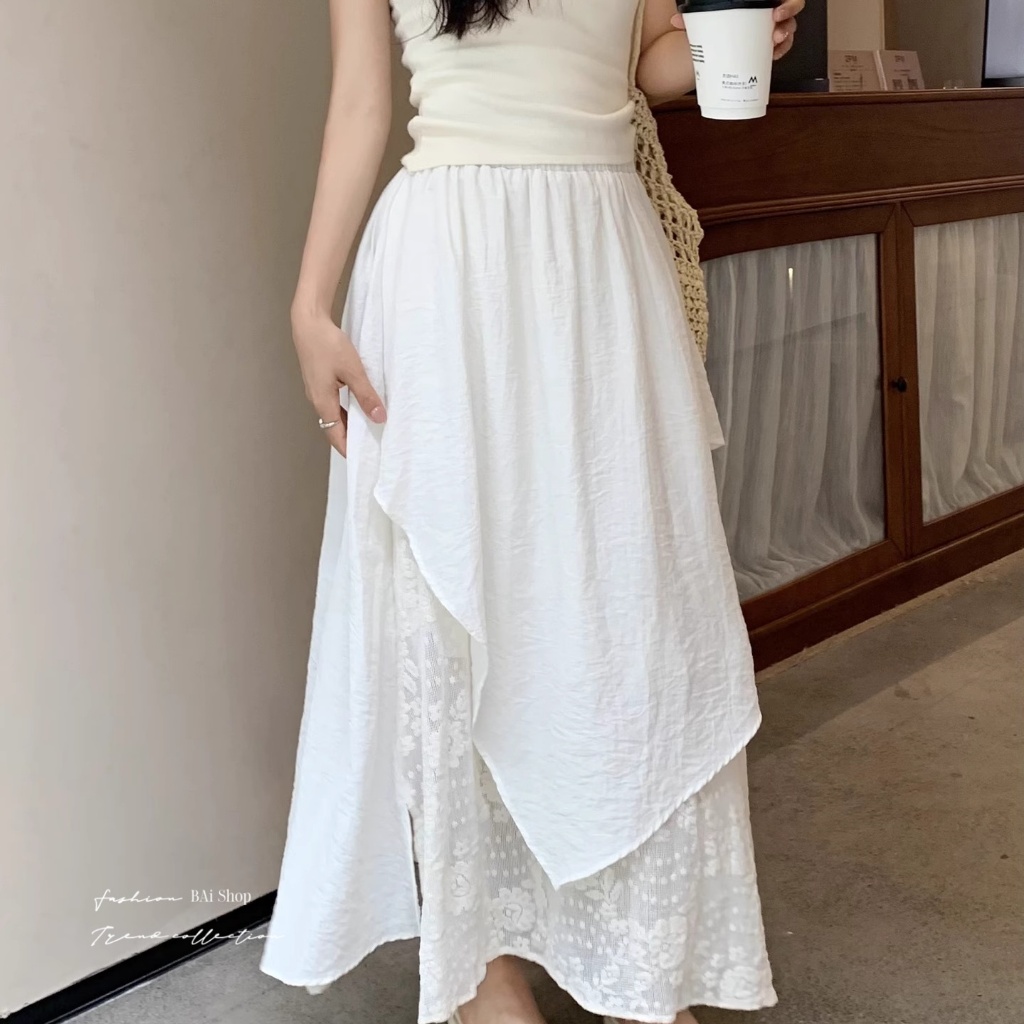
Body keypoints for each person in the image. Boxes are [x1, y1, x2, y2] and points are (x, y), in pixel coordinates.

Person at [260, 0, 803, 1021]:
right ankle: (482, 973)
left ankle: (643, 966)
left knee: (633, 627)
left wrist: (727, 46)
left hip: (600, 261)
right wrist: (309, 305)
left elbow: (641, 59)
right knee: (454, 626)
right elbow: (361, 103)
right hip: (447, 269)